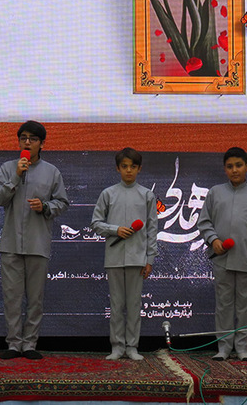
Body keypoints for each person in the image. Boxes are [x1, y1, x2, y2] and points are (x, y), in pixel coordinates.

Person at [0, 120, 69, 360]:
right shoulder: (8, 168)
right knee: (12, 298)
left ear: (41, 144)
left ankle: (30, 344)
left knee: (35, 299)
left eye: (33, 139)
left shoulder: (52, 171)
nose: (27, 142)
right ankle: (13, 344)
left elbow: (62, 203)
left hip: (38, 243)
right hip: (11, 244)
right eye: (23, 138)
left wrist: (45, 206)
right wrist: (16, 176)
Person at [197, 147, 247, 361]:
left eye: (239, 165)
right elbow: (204, 222)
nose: (234, 170)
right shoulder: (215, 193)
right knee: (223, 305)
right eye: (230, 166)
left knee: (245, 305)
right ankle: (223, 348)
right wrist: (214, 240)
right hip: (222, 259)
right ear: (225, 169)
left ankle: (242, 349)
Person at [91, 147, 158, 361]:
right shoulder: (108, 193)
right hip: (114, 257)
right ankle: (117, 347)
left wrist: (150, 259)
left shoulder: (147, 195)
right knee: (117, 305)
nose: (129, 170)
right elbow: (95, 223)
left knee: (134, 305)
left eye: (133, 166)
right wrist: (115, 230)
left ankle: (132, 347)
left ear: (139, 169)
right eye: (124, 166)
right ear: (118, 168)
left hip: (138, 258)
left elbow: (152, 229)